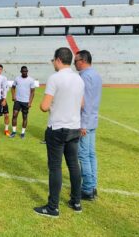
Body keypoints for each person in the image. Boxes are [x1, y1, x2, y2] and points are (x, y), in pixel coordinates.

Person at [34, 47, 84, 218]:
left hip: (57, 128)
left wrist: (55, 104)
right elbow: (82, 104)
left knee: (55, 167)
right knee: (73, 165)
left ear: (57, 60)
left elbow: (44, 106)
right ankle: (76, 201)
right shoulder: (79, 78)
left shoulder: (54, 78)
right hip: (74, 127)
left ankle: (52, 207)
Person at [74, 50, 102, 201]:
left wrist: (82, 124)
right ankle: (92, 186)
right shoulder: (96, 75)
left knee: (83, 155)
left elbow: (85, 102)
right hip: (93, 119)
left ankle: (87, 189)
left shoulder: (84, 77)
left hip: (85, 121)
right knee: (91, 154)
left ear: (82, 60)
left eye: (76, 60)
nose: (74, 63)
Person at [10, 66, 36, 139]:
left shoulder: (31, 80)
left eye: (26, 71)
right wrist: (13, 96)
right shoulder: (17, 79)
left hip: (26, 102)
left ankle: (22, 133)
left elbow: (33, 92)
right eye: (23, 71)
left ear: (27, 71)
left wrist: (30, 102)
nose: (24, 72)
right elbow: (12, 88)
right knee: (14, 115)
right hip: (17, 101)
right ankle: (14, 132)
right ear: (21, 71)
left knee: (24, 117)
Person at [0, 64, 11, 136]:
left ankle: (6, 130)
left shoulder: (4, 78)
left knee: (6, 115)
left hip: (3, 99)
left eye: (0, 69)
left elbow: (6, 89)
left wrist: (4, 99)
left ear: (2, 70)